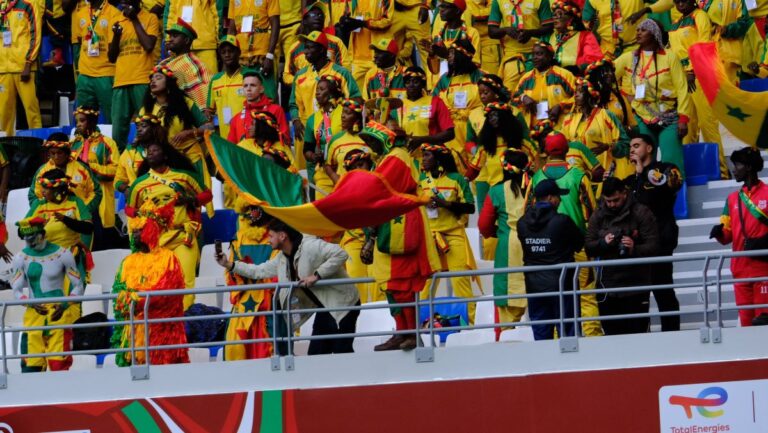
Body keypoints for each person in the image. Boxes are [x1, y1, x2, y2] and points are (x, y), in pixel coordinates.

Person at [216, 218, 361, 355]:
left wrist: (316, 275)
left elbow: (341, 254)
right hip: (325, 307)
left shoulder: (310, 246)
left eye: (271, 236)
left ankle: (356, 381)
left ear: (282, 236)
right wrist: (229, 264)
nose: (268, 240)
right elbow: (258, 271)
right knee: (316, 354)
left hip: (344, 304)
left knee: (342, 352)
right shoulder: (282, 258)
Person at [359, 122, 441, 351]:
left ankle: (411, 332)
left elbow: (377, 189)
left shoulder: (397, 156)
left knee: (402, 284)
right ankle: (402, 331)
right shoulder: (387, 157)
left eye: (373, 141)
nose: (371, 145)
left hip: (401, 224)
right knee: (391, 284)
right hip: (391, 225)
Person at [529, 132, 602, 336]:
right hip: (576, 245)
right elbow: (594, 212)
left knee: (551, 296)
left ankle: (554, 346)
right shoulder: (578, 175)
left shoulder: (536, 178)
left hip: (545, 249)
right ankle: (592, 337)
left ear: (545, 152)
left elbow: (528, 210)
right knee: (585, 294)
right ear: (567, 150)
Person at [127, 141, 212, 310]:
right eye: (148, 151)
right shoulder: (139, 184)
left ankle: (186, 319)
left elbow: (207, 195)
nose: (150, 153)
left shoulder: (184, 177)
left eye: (155, 149)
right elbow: (130, 209)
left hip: (182, 237)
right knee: (158, 283)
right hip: (156, 240)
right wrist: (140, 216)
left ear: (165, 155)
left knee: (187, 280)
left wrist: (191, 200)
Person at [111, 199, 189, 366]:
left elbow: (167, 295)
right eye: (135, 230)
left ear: (152, 230)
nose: (136, 234)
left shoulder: (168, 258)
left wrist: (136, 299)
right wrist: (127, 300)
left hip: (159, 333)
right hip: (132, 333)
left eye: (140, 230)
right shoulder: (127, 261)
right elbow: (118, 290)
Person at [614, 19, 691, 177]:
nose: (638, 32)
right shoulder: (630, 57)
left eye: (644, 30)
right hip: (643, 117)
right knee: (644, 160)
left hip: (669, 117)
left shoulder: (670, 57)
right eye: (638, 29)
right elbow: (607, 72)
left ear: (655, 33)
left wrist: (684, 118)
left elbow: (682, 88)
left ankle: (676, 198)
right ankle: (647, 196)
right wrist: (625, 94)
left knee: (671, 162)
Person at [585, 177, 659, 335]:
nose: (611, 205)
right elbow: (589, 247)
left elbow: (654, 246)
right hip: (608, 286)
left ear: (624, 194)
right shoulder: (598, 215)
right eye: (608, 201)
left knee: (638, 333)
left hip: (637, 285)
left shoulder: (641, 212)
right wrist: (604, 243)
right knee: (612, 335)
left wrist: (634, 248)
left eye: (615, 200)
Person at [624, 133, 682, 332]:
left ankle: (671, 334)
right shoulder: (631, 179)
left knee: (663, 289)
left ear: (649, 148)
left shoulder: (666, 168)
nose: (632, 149)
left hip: (660, 240)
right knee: (639, 296)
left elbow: (657, 196)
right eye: (630, 146)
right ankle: (641, 335)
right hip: (637, 244)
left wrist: (642, 174)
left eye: (637, 145)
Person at [10, 217, 84, 372]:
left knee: (59, 366)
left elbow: (78, 286)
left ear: (42, 235)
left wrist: (65, 304)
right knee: (32, 367)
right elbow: (16, 290)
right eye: (26, 239)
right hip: (34, 315)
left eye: (32, 238)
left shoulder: (63, 254)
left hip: (58, 314)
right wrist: (29, 302)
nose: (29, 242)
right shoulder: (20, 258)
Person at [139, 64, 213, 216]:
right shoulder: (145, 110)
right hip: (166, 163)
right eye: (151, 79)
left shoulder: (185, 103)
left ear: (169, 83)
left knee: (195, 202)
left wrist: (189, 133)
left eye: (158, 78)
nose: (153, 81)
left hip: (190, 158)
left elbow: (209, 127)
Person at [517, 178, 583, 340]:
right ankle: (568, 366)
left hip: (535, 288)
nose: (560, 201)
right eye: (558, 197)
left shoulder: (522, 223)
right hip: (562, 286)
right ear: (549, 198)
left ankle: (543, 365)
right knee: (569, 337)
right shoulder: (562, 221)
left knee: (541, 337)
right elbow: (579, 244)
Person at [668, 0, 727, 178]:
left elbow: (704, 45)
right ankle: (688, 173)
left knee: (707, 123)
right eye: (677, 1)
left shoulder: (700, 16)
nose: (680, 4)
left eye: (684, 0)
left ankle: (721, 172)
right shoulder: (675, 23)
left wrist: (692, 69)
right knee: (688, 126)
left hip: (700, 75)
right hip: (683, 79)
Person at [418, 143, 477, 322]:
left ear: (438, 158)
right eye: (423, 155)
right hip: (429, 237)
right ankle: (420, 324)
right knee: (426, 284)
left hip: (453, 235)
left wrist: (446, 205)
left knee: (460, 280)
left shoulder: (456, 179)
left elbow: (470, 207)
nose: (423, 159)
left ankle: (470, 325)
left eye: (427, 156)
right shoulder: (420, 179)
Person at [710, 147, 768, 327]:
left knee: (763, 321)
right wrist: (719, 232)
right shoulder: (732, 199)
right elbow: (727, 236)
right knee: (746, 321)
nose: (733, 170)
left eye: (737, 165)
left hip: (763, 267)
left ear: (749, 167)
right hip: (740, 268)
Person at [288, 31, 361, 162]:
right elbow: (293, 103)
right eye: (305, 47)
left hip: (334, 129)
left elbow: (356, 99)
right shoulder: (300, 75)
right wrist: (295, 120)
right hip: (306, 130)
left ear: (321, 49)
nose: (305, 51)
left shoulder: (340, 73)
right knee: (307, 173)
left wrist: (345, 122)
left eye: (310, 47)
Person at [478, 150, 530, 328]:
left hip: (508, 246)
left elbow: (484, 225)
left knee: (506, 305)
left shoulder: (497, 191)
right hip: (536, 244)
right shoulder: (535, 186)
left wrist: (497, 231)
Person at [222, 203, 275, 360]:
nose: (249, 215)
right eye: (247, 210)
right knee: (235, 349)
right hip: (243, 305)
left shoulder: (276, 236)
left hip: (268, 306)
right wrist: (236, 274)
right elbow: (230, 277)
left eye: (253, 210)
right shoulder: (239, 238)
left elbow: (277, 272)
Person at [108, 0, 160, 150]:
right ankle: (121, 165)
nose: (124, 2)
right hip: (120, 81)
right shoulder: (116, 19)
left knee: (148, 125)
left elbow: (149, 45)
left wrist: (134, 19)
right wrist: (116, 36)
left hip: (142, 79)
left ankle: (150, 160)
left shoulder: (150, 18)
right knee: (118, 131)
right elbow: (111, 57)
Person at [560, 71, 631, 180]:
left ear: (589, 94)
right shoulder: (569, 119)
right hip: (577, 174)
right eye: (575, 92)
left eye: (580, 92)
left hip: (604, 172)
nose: (576, 95)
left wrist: (609, 146)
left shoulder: (606, 115)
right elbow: (563, 145)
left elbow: (625, 143)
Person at [334, 149, 379, 303]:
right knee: (356, 283)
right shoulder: (343, 188)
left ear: (369, 163)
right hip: (353, 240)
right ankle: (361, 323)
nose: (359, 170)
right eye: (354, 167)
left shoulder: (380, 183)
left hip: (377, 239)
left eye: (361, 164)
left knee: (378, 283)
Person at [432, 39, 485, 166]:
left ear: (463, 55)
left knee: (477, 162)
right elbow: (433, 103)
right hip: (451, 130)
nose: (448, 56)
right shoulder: (444, 79)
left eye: (452, 53)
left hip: (474, 128)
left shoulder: (479, 75)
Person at [70, 106, 120, 231]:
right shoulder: (73, 144)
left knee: (100, 233)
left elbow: (116, 170)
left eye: (82, 121)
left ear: (91, 121)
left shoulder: (107, 143)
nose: (78, 125)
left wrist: (90, 167)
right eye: (77, 122)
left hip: (100, 194)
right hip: (78, 195)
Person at [29, 135, 102, 218]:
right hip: (50, 219)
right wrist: (44, 212)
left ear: (67, 153)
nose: (56, 157)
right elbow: (34, 196)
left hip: (80, 218)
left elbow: (96, 192)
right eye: (53, 153)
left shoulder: (82, 168)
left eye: (60, 153)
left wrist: (82, 210)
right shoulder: (42, 171)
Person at [489, 0, 553, 91]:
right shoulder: (498, 1)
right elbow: (491, 32)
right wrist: (506, 30)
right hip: (512, 57)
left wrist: (530, 33)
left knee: (536, 91)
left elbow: (549, 27)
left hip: (536, 55)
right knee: (509, 93)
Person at [72, 0, 121, 119]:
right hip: (84, 75)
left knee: (112, 118)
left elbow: (113, 48)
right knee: (84, 119)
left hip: (106, 74)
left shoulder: (114, 13)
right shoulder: (81, 13)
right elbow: (80, 40)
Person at [0, 0, 42, 137]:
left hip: (23, 67)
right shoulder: (1, 5)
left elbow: (36, 34)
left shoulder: (29, 4)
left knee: (32, 112)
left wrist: (29, 63)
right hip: (3, 68)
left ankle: (38, 150)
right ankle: (4, 154)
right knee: (4, 114)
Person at [284, 1, 350, 87]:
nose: (318, 18)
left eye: (320, 15)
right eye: (313, 15)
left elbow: (345, 68)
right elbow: (286, 75)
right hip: (304, 95)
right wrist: (304, 81)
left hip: (330, 93)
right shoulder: (295, 48)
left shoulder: (336, 42)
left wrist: (330, 81)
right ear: (304, 21)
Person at [513, 40, 576, 129]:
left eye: (539, 54)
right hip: (533, 130)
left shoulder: (563, 75)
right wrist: (523, 97)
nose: (535, 57)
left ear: (550, 56)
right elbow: (514, 98)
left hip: (560, 129)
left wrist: (561, 106)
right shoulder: (526, 78)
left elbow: (580, 96)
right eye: (533, 54)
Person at [337, 0, 394, 89]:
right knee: (355, 95)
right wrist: (344, 21)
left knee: (380, 95)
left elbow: (387, 21)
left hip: (378, 57)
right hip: (356, 58)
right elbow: (346, 15)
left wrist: (363, 23)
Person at [158, 18, 212, 110]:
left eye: (175, 36)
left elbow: (204, 94)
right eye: (170, 36)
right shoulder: (167, 62)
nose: (170, 39)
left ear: (186, 40)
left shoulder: (194, 64)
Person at [399, 67, 456, 154]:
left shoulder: (436, 101)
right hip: (406, 158)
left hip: (431, 157)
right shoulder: (398, 105)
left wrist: (422, 140)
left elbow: (450, 133)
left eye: (415, 82)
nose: (411, 85)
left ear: (423, 84)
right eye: (407, 82)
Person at [226, 68, 289, 145]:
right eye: (245, 86)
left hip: (268, 155)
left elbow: (285, 140)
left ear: (261, 89)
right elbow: (231, 148)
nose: (248, 89)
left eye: (253, 85)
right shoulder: (236, 118)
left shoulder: (276, 110)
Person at [426, 0, 482, 80]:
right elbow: (435, 71)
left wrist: (447, 55)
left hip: (463, 83)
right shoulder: (438, 35)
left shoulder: (471, 33)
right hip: (442, 85)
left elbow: (475, 64)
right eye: (441, 6)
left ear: (457, 10)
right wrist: (431, 55)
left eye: (445, 7)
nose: (441, 10)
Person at [163, 0, 223, 74]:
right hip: (180, 45)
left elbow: (217, 12)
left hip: (206, 44)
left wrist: (218, 40)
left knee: (210, 80)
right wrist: (168, 40)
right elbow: (169, 15)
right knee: (181, 80)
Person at [548, 0, 603, 75]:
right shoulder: (550, 37)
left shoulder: (585, 36)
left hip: (576, 81)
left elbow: (594, 61)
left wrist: (576, 69)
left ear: (571, 18)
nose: (555, 17)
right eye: (554, 15)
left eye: (560, 14)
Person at [205, 36, 244, 140]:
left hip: (246, 137)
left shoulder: (249, 76)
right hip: (225, 137)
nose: (227, 55)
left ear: (239, 52)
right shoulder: (215, 80)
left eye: (231, 51)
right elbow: (209, 110)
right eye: (223, 52)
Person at [115, 114, 165, 195]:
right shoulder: (129, 151)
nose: (139, 130)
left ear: (154, 129)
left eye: (143, 126)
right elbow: (118, 180)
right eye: (137, 127)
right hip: (135, 199)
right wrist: (126, 189)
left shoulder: (164, 151)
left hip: (159, 197)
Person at [226, 0, 279, 73]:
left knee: (264, 84)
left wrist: (269, 55)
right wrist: (228, 59)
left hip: (263, 55)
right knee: (244, 84)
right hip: (241, 56)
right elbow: (231, 30)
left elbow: (275, 24)